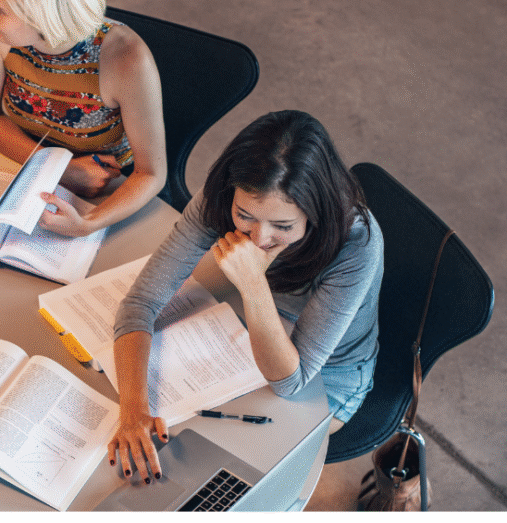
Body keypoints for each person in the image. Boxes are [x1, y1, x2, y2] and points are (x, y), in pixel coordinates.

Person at [109, 111, 384, 480]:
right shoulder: (221, 198)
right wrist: (133, 411)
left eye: (283, 226)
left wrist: (253, 283)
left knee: (223, 469)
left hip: (329, 373)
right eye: (245, 216)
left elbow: (291, 381)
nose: (258, 238)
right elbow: (140, 304)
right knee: (179, 446)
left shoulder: (357, 242)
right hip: (240, 328)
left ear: (315, 213)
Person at [0, 0, 166, 238]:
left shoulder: (126, 59)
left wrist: (88, 224)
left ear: (45, 20)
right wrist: (63, 170)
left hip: (104, 185)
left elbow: (151, 173)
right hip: (28, 161)